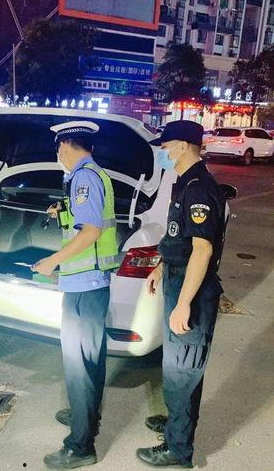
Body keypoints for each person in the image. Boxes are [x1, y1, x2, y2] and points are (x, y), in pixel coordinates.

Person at [136, 120, 226, 468]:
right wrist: (161, 267)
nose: (162, 153)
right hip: (178, 279)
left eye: (165, 147)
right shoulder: (186, 182)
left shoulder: (199, 189)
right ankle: (177, 423)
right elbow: (180, 239)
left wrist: (184, 303)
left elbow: (202, 250)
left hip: (193, 290)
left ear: (184, 146)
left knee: (182, 369)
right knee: (178, 366)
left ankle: (178, 449)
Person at [33, 121, 119, 469]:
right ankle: (87, 415)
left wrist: (52, 261)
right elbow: (86, 220)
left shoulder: (84, 178)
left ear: (65, 146)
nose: (58, 156)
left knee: (78, 365)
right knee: (90, 359)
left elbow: (91, 231)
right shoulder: (93, 175)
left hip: (84, 283)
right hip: (90, 283)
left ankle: (80, 446)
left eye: (58, 149)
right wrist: (63, 210)